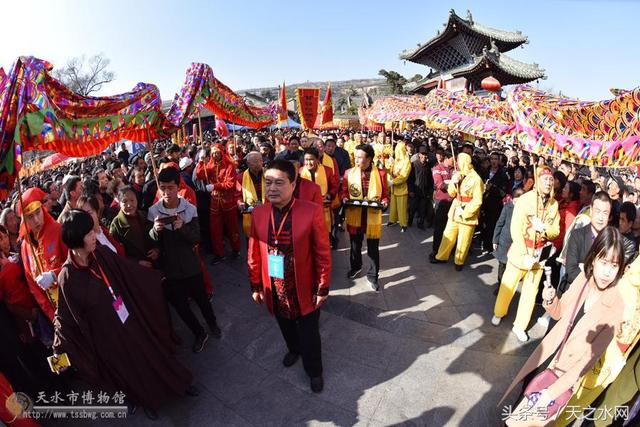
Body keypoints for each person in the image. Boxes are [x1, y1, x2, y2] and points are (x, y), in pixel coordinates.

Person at [53, 209, 196, 420]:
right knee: (131, 370)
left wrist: (156, 277)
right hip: (108, 337)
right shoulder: (67, 277)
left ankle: (178, 384)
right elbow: (65, 318)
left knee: (151, 354)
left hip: (129, 318)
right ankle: (147, 401)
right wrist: (58, 355)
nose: (95, 235)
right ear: (75, 238)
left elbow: (130, 272)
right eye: (89, 233)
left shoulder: (101, 254)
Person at [500, 226, 626, 427]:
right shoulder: (584, 279)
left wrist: (550, 394)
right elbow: (559, 313)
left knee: (528, 422)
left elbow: (588, 361)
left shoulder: (616, 305)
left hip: (564, 378)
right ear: (593, 259)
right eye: (603, 262)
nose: (607, 272)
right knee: (516, 415)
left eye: (614, 265)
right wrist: (550, 300)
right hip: (549, 358)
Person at [247, 159, 331, 393]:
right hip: (274, 284)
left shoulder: (311, 211)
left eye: (279, 183)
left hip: (305, 286)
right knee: (284, 323)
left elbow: (323, 253)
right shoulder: (260, 213)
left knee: (309, 333)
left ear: (293, 184)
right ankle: (293, 349)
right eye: (268, 182)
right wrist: (255, 284)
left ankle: (314, 371)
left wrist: (322, 287)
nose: (272, 188)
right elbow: (253, 251)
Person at [149, 166, 221, 353]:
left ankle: (212, 324)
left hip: (191, 265)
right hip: (170, 269)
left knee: (202, 300)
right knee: (181, 307)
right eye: (162, 187)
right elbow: (151, 242)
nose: (166, 192)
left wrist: (182, 227)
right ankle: (198, 333)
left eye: (170, 187)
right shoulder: (154, 211)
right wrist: (154, 231)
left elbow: (196, 238)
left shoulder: (189, 208)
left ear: (178, 186)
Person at [492, 166, 560, 342]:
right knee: (508, 285)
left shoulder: (554, 205)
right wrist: (524, 254)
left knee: (530, 293)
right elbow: (515, 227)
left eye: (551, 180)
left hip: (539, 256)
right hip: (521, 253)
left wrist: (543, 228)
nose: (548, 182)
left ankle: (520, 325)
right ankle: (499, 312)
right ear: (537, 181)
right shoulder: (525, 199)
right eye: (545, 179)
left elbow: (556, 231)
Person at [341, 144, 389, 291]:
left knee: (373, 247)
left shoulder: (380, 174)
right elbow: (344, 192)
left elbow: (385, 195)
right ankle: (356, 267)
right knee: (355, 244)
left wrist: (385, 202)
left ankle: (373, 276)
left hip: (373, 215)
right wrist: (344, 198)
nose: (356, 160)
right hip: (356, 214)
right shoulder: (349, 173)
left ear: (369, 159)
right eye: (355, 157)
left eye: (360, 157)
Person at [19, 188, 68, 323]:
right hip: (58, 313)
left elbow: (75, 261)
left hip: (74, 298)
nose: (36, 220)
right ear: (24, 220)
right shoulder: (25, 247)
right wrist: (53, 316)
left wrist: (55, 274)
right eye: (30, 217)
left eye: (38, 213)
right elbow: (34, 287)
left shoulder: (57, 230)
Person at [430, 152, 484, 271]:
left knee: (464, 239)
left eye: (458, 161)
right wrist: (454, 183)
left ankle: (459, 261)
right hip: (455, 209)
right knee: (448, 234)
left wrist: (465, 211)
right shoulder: (458, 175)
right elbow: (451, 193)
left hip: (467, 212)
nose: (456, 164)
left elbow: (478, 200)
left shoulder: (476, 179)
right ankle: (441, 256)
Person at [195, 143, 241, 264]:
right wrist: (200, 161)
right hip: (215, 203)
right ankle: (219, 253)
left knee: (232, 228)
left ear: (221, 152)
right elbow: (199, 175)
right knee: (215, 230)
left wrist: (215, 186)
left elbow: (230, 184)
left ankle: (236, 249)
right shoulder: (209, 165)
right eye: (213, 153)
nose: (215, 155)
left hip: (228, 202)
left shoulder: (229, 165)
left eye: (217, 152)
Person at [565, 192, 612, 285]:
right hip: (575, 291)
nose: (601, 218)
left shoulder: (611, 241)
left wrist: (585, 270)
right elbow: (571, 272)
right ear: (591, 211)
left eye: (605, 213)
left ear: (609, 216)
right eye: (597, 211)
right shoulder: (577, 235)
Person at [109, 186, 159, 267]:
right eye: (124, 201)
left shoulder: (144, 215)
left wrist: (157, 250)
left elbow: (156, 236)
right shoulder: (116, 225)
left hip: (154, 263)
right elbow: (116, 254)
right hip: (135, 270)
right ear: (119, 203)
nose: (129, 205)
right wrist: (136, 262)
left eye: (132, 200)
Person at [300, 147, 338, 234]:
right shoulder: (300, 172)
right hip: (305, 209)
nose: (308, 163)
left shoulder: (327, 170)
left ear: (317, 159)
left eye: (311, 159)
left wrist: (329, 195)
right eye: (306, 160)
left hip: (324, 207)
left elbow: (334, 187)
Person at [492, 188, 524, 289]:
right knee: (502, 265)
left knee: (512, 266)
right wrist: (495, 240)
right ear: (514, 199)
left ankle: (509, 286)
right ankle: (500, 285)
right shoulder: (507, 207)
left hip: (517, 242)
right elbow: (500, 224)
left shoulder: (525, 209)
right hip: (505, 241)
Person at [431, 150, 454, 259]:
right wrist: (452, 183)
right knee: (439, 228)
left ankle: (449, 250)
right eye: (453, 159)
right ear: (446, 158)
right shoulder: (437, 169)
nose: (455, 162)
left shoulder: (455, 170)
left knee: (450, 228)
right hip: (441, 202)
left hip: (453, 202)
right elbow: (440, 185)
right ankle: (435, 250)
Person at [236, 151, 265, 236]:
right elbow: (237, 195)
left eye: (260, 161)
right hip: (250, 211)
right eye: (255, 161)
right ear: (248, 163)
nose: (258, 163)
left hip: (267, 209)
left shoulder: (269, 174)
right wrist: (240, 203)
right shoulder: (241, 177)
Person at [387, 141, 412, 232]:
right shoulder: (396, 161)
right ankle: (392, 220)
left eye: (398, 150)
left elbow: (404, 176)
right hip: (393, 188)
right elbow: (390, 172)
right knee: (393, 207)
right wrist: (390, 164)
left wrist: (393, 182)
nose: (396, 152)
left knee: (402, 208)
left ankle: (403, 224)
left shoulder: (407, 161)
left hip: (401, 188)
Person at [408, 145, 434, 229]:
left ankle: (420, 224)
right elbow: (410, 179)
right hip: (415, 191)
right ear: (419, 154)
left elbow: (430, 180)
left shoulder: (428, 166)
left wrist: (430, 191)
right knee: (412, 208)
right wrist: (411, 190)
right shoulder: (414, 164)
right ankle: (410, 221)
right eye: (422, 154)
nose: (424, 156)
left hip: (424, 192)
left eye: (425, 154)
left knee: (422, 210)